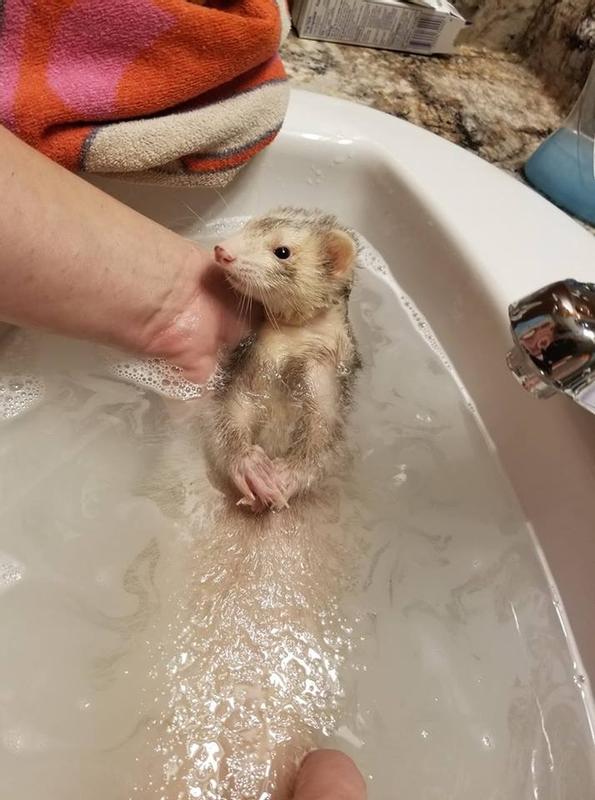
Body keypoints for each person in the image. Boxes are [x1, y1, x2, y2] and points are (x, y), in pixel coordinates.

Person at [0, 126, 367, 800]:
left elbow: (322, 440)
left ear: (331, 268)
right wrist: (240, 451)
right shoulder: (263, 341)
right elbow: (235, 414)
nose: (225, 251)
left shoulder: (328, 355)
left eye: (280, 252)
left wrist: (290, 470)